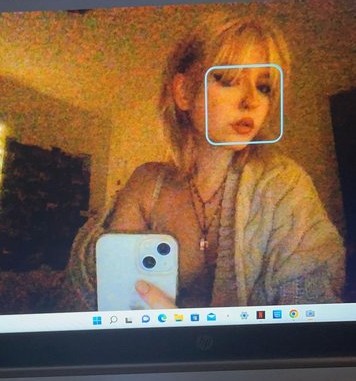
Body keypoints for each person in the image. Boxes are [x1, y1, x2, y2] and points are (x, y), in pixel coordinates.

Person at [61, 18, 345, 311]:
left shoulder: (286, 186)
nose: (251, 101)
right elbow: (116, 303)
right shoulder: (147, 185)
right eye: (228, 79)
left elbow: (310, 312)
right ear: (184, 92)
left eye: (264, 87)